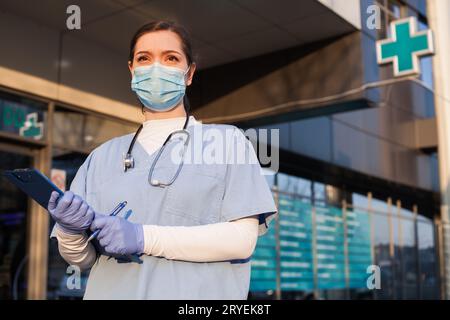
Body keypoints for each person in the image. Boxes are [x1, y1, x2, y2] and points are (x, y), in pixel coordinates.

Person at [48, 20, 277, 300]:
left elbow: (242, 241)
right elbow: (81, 260)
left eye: (170, 58)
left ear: (189, 73)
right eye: (144, 58)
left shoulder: (228, 142)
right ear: (132, 70)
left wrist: (144, 237)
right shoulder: (101, 157)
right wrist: (71, 232)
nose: (156, 68)